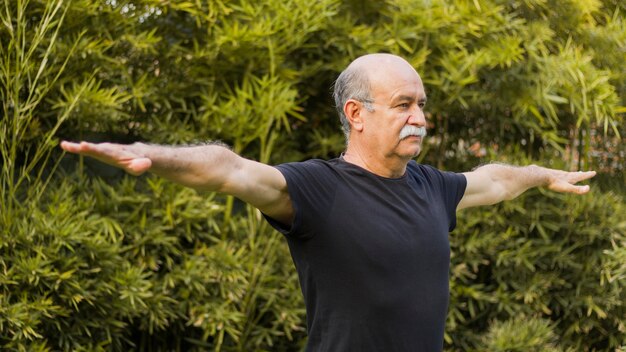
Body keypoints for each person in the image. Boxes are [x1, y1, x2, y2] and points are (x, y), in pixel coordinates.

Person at [60, 53, 595, 351]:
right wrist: (147, 153)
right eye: (404, 105)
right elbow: (229, 169)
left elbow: (495, 181)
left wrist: (541, 174)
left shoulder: (434, 188)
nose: (421, 119)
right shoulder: (318, 190)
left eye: (422, 105)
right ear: (357, 114)